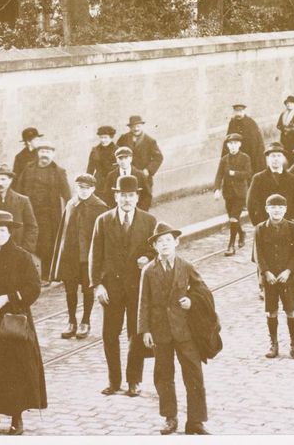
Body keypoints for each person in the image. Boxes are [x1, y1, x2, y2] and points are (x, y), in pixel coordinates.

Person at [0, 211, 47, 435]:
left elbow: (34, 287)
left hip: (13, 322)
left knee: (14, 370)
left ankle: (16, 418)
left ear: (9, 232)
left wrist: (8, 298)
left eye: (2, 231)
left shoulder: (21, 257)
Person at [138, 222, 212, 436]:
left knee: (194, 374)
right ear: (154, 246)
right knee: (163, 375)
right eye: (160, 242)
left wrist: (191, 301)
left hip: (184, 331)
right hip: (160, 331)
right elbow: (143, 302)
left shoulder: (185, 266)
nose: (164, 245)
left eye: (168, 241)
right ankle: (170, 418)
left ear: (176, 243)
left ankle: (196, 421)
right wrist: (145, 330)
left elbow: (203, 290)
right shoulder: (148, 271)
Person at [89, 175, 158, 398]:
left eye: (131, 195)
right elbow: (95, 255)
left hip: (138, 289)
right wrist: (97, 285)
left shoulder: (149, 221)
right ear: (116, 197)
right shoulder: (103, 221)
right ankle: (114, 381)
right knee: (110, 335)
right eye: (122, 195)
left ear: (137, 197)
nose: (127, 200)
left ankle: (134, 381)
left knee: (136, 335)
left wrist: (148, 258)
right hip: (111, 290)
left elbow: (156, 250)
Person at [51, 173, 108, 339]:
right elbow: (63, 233)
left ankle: (85, 321)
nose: (83, 191)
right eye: (80, 187)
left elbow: (104, 236)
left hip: (89, 258)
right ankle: (71, 321)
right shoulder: (71, 204)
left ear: (93, 189)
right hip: (71, 256)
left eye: (86, 188)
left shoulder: (100, 207)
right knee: (70, 290)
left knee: (87, 290)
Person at [14, 139, 72, 281]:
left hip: (49, 215)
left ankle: (46, 275)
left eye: (48, 152)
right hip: (29, 213)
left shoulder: (58, 172)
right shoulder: (28, 169)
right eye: (42, 151)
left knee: (46, 245)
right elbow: (19, 189)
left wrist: (70, 213)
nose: (45, 154)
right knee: (28, 242)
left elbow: (67, 195)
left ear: (53, 154)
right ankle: (28, 275)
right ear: (38, 153)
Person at [255, 195, 294, 360]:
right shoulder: (260, 229)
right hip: (269, 279)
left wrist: (288, 271)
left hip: (287, 278)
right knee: (271, 311)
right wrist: (266, 272)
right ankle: (273, 344)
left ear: (285, 210)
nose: (277, 211)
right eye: (273, 207)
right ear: (267, 209)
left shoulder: (293, 228)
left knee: (291, 310)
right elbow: (258, 254)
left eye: (280, 208)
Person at [0, 163, 39, 256]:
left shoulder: (23, 201)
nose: (0, 183)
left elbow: (32, 227)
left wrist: (26, 250)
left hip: (18, 251)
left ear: (10, 180)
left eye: (3, 179)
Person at [246, 142, 294, 230]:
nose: (276, 159)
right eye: (273, 156)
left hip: (287, 225)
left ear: (283, 158)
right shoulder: (258, 178)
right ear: (267, 158)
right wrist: (257, 223)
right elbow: (251, 202)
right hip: (266, 225)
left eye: (279, 156)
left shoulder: (291, 178)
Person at [214, 133, 253, 256]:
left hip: (240, 194)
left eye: (235, 143)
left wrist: (234, 173)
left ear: (239, 144)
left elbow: (248, 173)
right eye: (230, 144)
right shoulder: (224, 159)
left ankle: (231, 245)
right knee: (232, 218)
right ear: (227, 145)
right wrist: (216, 189)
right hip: (228, 194)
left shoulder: (245, 158)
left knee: (234, 218)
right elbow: (219, 175)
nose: (233, 146)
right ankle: (241, 233)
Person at [103, 146, 154, 212]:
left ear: (131, 159)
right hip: (118, 211)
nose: (123, 161)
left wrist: (141, 211)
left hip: (137, 210)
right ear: (116, 160)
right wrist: (115, 210)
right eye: (120, 158)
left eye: (126, 158)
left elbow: (147, 195)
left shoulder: (140, 175)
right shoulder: (111, 176)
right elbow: (107, 195)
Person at [118, 115, 165, 184]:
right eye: (133, 127)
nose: (136, 129)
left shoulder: (150, 141)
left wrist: (148, 170)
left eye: (138, 126)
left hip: (143, 176)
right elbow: (116, 153)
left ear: (142, 126)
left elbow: (158, 157)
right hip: (127, 175)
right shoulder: (123, 138)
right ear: (130, 127)